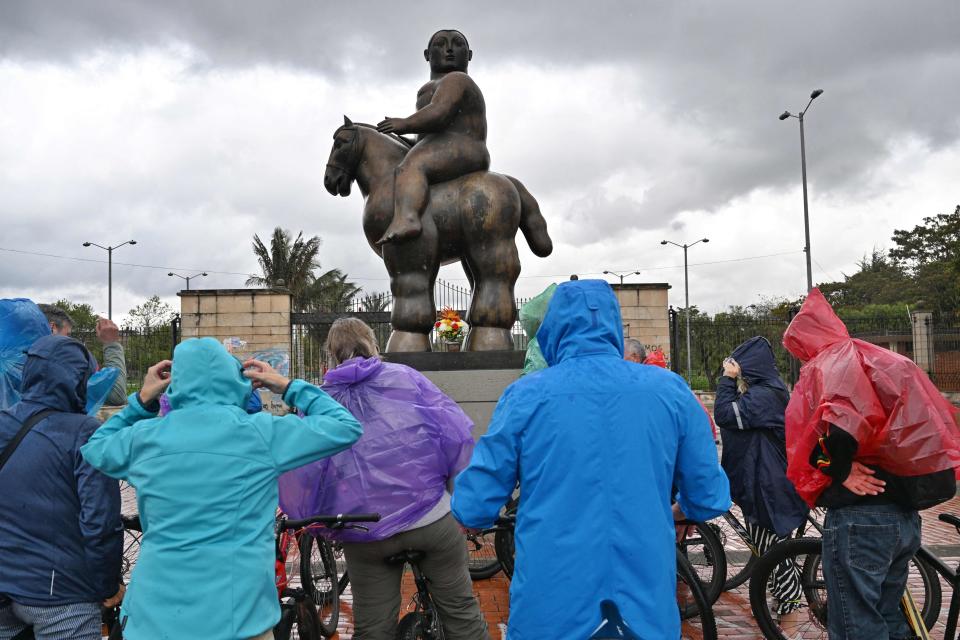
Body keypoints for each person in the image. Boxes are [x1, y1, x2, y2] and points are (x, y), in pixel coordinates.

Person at [451, 280, 730, 639]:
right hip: (643, 601)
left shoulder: (526, 395)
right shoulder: (669, 389)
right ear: (613, 326)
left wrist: (467, 515)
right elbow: (708, 494)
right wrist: (677, 512)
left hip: (551, 602)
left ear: (553, 328)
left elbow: (475, 503)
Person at [80, 337, 363, 640]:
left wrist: (141, 401)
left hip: (154, 617)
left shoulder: (145, 438)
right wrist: (286, 385)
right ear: (236, 379)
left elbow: (95, 447)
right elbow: (344, 426)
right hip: (239, 616)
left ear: (176, 383)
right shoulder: (262, 434)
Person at [279, 318, 488, 640]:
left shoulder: (322, 400)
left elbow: (307, 467)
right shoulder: (405, 378)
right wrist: (457, 497)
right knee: (460, 611)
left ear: (331, 353)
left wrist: (324, 521)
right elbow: (452, 436)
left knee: (372, 627)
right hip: (431, 519)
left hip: (364, 529)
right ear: (373, 343)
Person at [783, 289, 960, 639]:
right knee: (889, 618)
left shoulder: (836, 362)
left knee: (856, 625)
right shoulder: (880, 360)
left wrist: (840, 468)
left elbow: (842, 419)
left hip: (861, 519)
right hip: (903, 516)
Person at [0, 335, 124, 640]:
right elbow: (100, 521)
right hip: (62, 593)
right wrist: (108, 584)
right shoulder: (83, 432)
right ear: (79, 380)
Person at [713, 336, 808, 618]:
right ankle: (784, 592)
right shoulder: (767, 391)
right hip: (763, 477)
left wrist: (727, 381)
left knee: (770, 545)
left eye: (739, 369)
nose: (736, 374)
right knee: (768, 543)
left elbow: (724, 414)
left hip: (769, 482)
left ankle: (792, 599)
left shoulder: (766, 395)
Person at [376, 29, 490, 244]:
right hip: (445, 146)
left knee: (409, 167)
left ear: (470, 55)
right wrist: (407, 142)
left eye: (457, 44)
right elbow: (426, 138)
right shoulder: (431, 87)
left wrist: (405, 123)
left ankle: (407, 218)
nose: (448, 49)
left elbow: (440, 112)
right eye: (440, 44)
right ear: (427, 54)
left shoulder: (457, 80)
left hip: (463, 146)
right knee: (412, 157)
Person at [38, 304, 128, 406]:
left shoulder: (21, 362)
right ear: (52, 328)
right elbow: (116, 396)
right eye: (67, 334)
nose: (70, 341)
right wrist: (112, 344)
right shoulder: (61, 366)